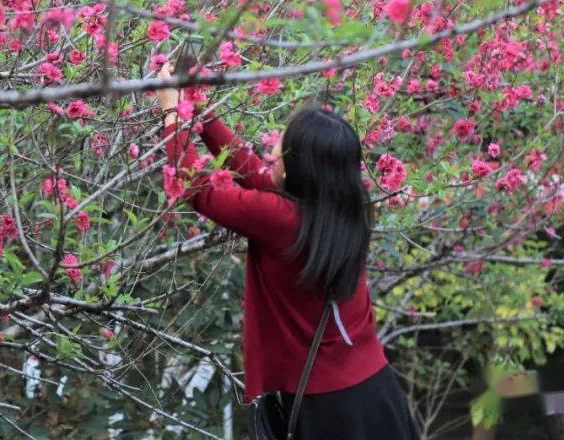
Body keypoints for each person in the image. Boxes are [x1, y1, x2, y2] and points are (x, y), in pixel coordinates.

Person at [155, 59, 419, 439]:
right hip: (375, 392)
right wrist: (197, 107)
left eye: (283, 145)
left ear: (300, 167)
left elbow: (199, 190)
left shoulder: (284, 220)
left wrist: (171, 111)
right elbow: (250, 170)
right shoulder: (343, 206)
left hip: (329, 408)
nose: (274, 149)